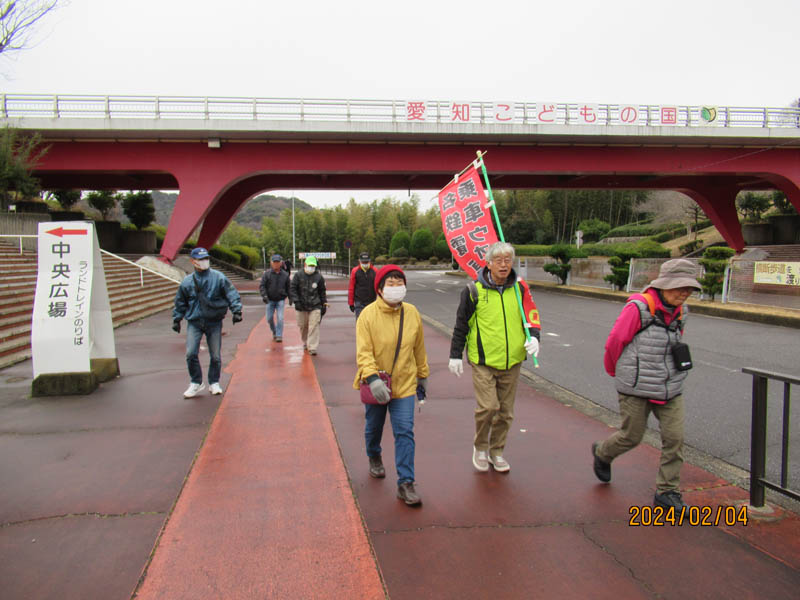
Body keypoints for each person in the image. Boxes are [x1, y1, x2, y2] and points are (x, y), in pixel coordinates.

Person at [591, 258, 701, 510]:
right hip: (636, 386)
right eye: (680, 287)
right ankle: (602, 453)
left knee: (675, 439)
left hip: (669, 386)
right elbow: (615, 341)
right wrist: (617, 372)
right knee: (631, 436)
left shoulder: (682, 311)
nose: (685, 293)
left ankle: (667, 491)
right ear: (664, 284)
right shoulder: (639, 308)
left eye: (689, 289)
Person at [448, 242, 541, 474]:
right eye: (498, 260)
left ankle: (496, 451)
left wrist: (535, 337)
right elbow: (461, 325)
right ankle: (480, 447)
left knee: (506, 412)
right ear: (488, 264)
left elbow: (530, 315)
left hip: (512, 360)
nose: (503, 264)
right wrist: (455, 355)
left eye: (508, 260)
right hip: (483, 361)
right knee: (488, 407)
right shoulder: (473, 291)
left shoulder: (520, 289)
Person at [354, 265, 429, 506]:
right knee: (374, 427)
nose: (396, 288)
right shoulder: (367, 315)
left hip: (404, 383)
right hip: (376, 384)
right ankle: (374, 455)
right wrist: (372, 378)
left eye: (400, 283)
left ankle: (406, 482)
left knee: (404, 431)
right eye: (391, 284)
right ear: (379, 288)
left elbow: (419, 347)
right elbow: (364, 352)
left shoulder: (412, 313)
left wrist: (422, 375)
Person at [173, 247, 243, 398]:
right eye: (201, 259)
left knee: (215, 355)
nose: (204, 261)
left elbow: (231, 293)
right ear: (193, 261)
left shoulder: (218, 278)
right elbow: (180, 302)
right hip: (194, 322)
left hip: (214, 321)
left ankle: (214, 382)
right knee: (191, 353)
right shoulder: (187, 282)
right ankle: (196, 382)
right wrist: (177, 319)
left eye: (206, 258)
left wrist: (236, 310)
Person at [289, 256, 327, 355]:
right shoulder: (298, 275)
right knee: (303, 326)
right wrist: (296, 301)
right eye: (310, 265)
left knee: (314, 326)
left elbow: (322, 291)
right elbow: (292, 289)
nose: (311, 267)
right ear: (305, 264)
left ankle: (312, 347)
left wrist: (324, 304)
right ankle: (306, 341)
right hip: (301, 305)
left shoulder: (319, 277)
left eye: (313, 266)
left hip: (315, 305)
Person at [259, 253, 290, 342]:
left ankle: (279, 335)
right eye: (274, 262)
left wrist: (291, 297)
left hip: (280, 299)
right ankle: (274, 331)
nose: (276, 264)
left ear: (281, 263)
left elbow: (289, 287)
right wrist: (264, 295)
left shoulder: (285, 275)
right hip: (270, 299)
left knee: (280, 318)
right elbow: (262, 286)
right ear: (271, 263)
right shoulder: (267, 274)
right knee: (269, 318)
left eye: (277, 262)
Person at [348, 251, 377, 319]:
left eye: (366, 262)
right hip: (359, 302)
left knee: (371, 321)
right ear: (359, 261)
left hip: (372, 302)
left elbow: (378, 287)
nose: (365, 263)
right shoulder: (355, 271)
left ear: (369, 261)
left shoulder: (375, 271)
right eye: (363, 262)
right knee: (360, 321)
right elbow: (351, 287)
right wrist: (351, 303)